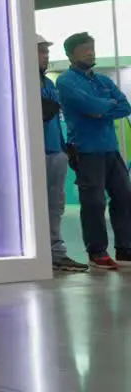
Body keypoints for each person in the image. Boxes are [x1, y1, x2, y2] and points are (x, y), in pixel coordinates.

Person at [55, 31, 131, 271]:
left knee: (125, 198)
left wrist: (101, 109)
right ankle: (97, 252)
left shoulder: (103, 81)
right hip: (86, 151)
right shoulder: (66, 81)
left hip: (110, 149)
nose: (91, 52)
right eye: (85, 48)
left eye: (92, 47)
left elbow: (125, 106)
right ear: (70, 54)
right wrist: (104, 105)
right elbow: (87, 105)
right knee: (94, 202)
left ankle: (126, 249)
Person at [39, 35, 87, 272]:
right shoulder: (21, 83)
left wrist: (65, 147)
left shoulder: (48, 85)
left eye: (46, 52)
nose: (45, 56)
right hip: (35, 155)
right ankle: (39, 253)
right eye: (41, 52)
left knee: (56, 205)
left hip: (56, 152)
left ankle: (57, 252)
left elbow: (55, 121)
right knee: (38, 206)